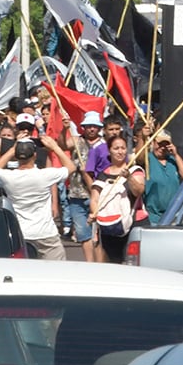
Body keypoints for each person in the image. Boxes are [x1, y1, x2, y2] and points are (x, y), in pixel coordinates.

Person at [0, 134, 76, 261]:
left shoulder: (8, 177)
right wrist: (55, 147)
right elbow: (71, 167)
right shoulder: (45, 175)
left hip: (21, 233)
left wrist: (11, 150)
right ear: (35, 155)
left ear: (16, 156)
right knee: (57, 273)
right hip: (46, 234)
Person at [89, 136, 145, 263]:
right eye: (116, 148)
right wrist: (95, 213)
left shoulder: (134, 170)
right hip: (110, 224)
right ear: (109, 151)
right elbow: (94, 199)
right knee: (114, 263)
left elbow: (139, 191)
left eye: (123, 148)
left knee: (134, 262)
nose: (120, 152)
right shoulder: (103, 175)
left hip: (134, 223)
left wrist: (129, 177)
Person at [65, 111, 104, 261]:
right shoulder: (76, 140)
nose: (91, 129)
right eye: (88, 126)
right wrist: (64, 129)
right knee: (83, 233)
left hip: (100, 193)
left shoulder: (105, 144)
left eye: (94, 126)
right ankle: (90, 263)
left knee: (99, 233)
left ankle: (101, 264)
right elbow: (62, 144)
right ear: (83, 127)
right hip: (77, 193)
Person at [143, 130, 183, 225]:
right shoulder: (148, 159)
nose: (162, 147)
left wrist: (176, 155)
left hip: (173, 216)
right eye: (159, 144)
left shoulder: (172, 161)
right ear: (153, 143)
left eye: (165, 144)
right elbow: (139, 157)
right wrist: (143, 138)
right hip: (153, 217)